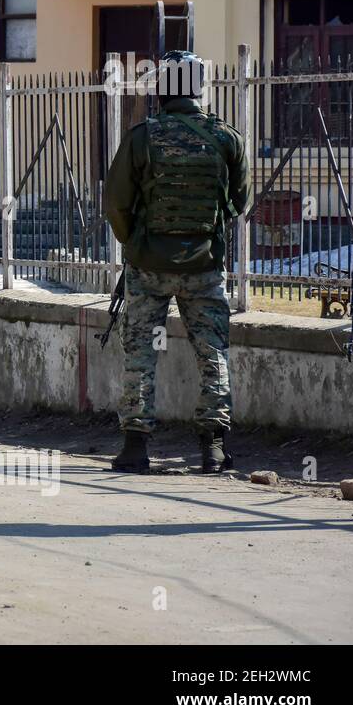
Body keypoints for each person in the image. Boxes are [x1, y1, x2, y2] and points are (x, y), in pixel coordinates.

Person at [105, 50, 251, 474]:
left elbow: (116, 204)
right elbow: (239, 203)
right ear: (201, 87)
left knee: (141, 352)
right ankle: (214, 448)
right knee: (212, 352)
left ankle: (135, 447)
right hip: (204, 265)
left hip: (148, 266)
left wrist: (136, 244)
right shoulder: (226, 138)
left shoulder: (141, 137)